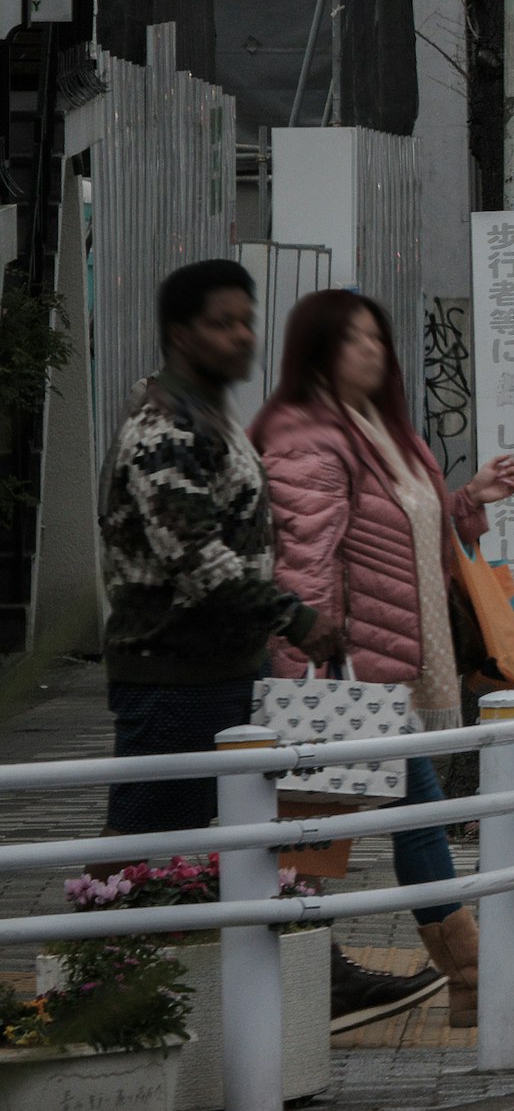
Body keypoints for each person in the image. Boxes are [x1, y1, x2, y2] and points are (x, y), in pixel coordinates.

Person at [101, 261, 426, 1019]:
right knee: (142, 837)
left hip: (227, 668)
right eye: (223, 321)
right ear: (180, 334)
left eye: (248, 319)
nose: (243, 335)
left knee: (266, 831)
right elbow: (199, 562)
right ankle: (102, 986)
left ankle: (316, 976)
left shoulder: (210, 417)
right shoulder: (163, 431)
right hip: (171, 672)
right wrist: (299, 616)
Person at [255, 290, 514, 1026]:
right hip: (347, 669)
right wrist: (300, 677)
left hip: (389, 662)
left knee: (326, 828)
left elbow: (406, 529)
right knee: (369, 818)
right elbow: (302, 561)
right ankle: (472, 973)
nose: (371, 349)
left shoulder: (375, 425)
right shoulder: (306, 436)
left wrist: (465, 500)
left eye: (377, 336)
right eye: (352, 339)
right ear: (315, 348)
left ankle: (463, 977)